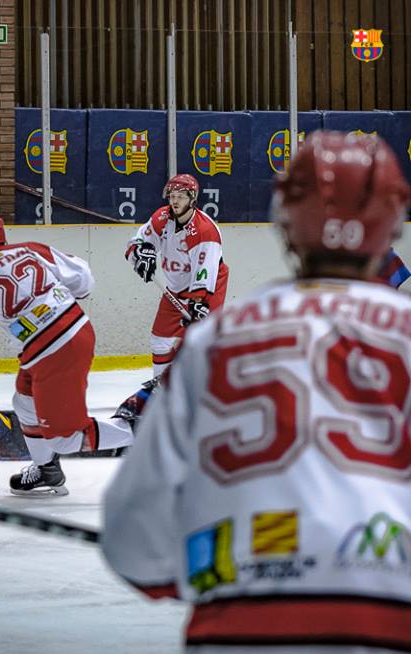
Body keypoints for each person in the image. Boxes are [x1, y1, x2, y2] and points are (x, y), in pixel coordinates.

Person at [101, 131, 411, 651]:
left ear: (285, 227)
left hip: (240, 622)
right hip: (387, 619)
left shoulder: (213, 340)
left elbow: (133, 534)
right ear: (393, 227)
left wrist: (200, 570)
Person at [0, 209, 134, 496]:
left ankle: (144, 429)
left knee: (65, 439)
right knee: (24, 402)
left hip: (53, 351)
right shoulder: (32, 250)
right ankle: (47, 471)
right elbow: (84, 280)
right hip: (71, 333)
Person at [125, 174, 230, 376]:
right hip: (175, 287)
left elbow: (205, 271)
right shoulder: (162, 218)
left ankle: (210, 386)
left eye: (181, 196)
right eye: (172, 195)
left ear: (192, 199)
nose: (174, 200)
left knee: (202, 340)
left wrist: (200, 303)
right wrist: (140, 254)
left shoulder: (204, 230)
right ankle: (160, 383)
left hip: (208, 287)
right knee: (160, 339)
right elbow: (135, 243)